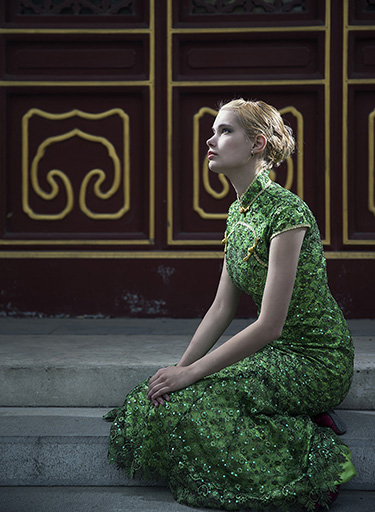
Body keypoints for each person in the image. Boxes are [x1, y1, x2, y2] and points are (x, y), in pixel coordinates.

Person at [105, 98, 356, 511]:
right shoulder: (238, 213)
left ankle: (321, 455)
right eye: (213, 130)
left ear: (257, 143)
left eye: (225, 131)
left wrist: (192, 376)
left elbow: (269, 324)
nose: (211, 139)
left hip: (315, 359)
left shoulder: (287, 211)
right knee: (156, 400)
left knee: (200, 404)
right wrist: (182, 368)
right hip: (274, 353)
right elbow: (222, 307)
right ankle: (289, 417)